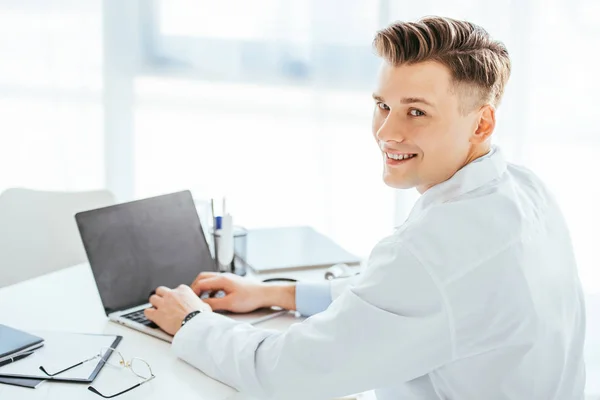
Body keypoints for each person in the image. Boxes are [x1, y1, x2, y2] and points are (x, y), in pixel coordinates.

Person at [144, 16, 586, 400]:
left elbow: (282, 373)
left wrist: (192, 323)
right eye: (383, 106)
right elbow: (411, 294)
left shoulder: (435, 250)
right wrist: (277, 294)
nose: (387, 132)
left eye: (416, 112)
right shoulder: (524, 189)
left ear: (482, 122)